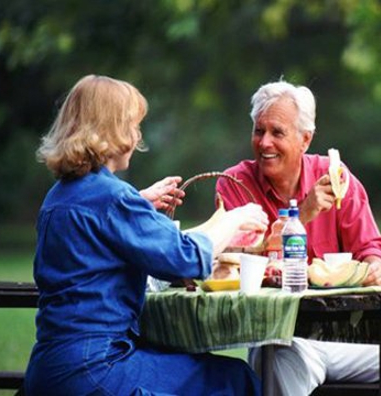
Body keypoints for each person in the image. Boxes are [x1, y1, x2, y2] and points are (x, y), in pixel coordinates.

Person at [215, 80, 381, 395]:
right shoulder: (235, 184)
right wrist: (305, 214)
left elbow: (372, 251)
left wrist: (373, 267)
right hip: (283, 339)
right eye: (259, 131)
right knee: (279, 361)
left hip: (348, 342)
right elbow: (237, 262)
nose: (264, 142)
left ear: (305, 139)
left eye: (277, 132)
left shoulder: (338, 180)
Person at [24, 74, 268, 396]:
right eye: (133, 124)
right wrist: (235, 217)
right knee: (235, 378)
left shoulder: (57, 197)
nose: (138, 135)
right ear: (113, 130)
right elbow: (186, 259)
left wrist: (137, 204)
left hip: (47, 369)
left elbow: (97, 236)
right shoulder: (113, 198)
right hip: (96, 370)